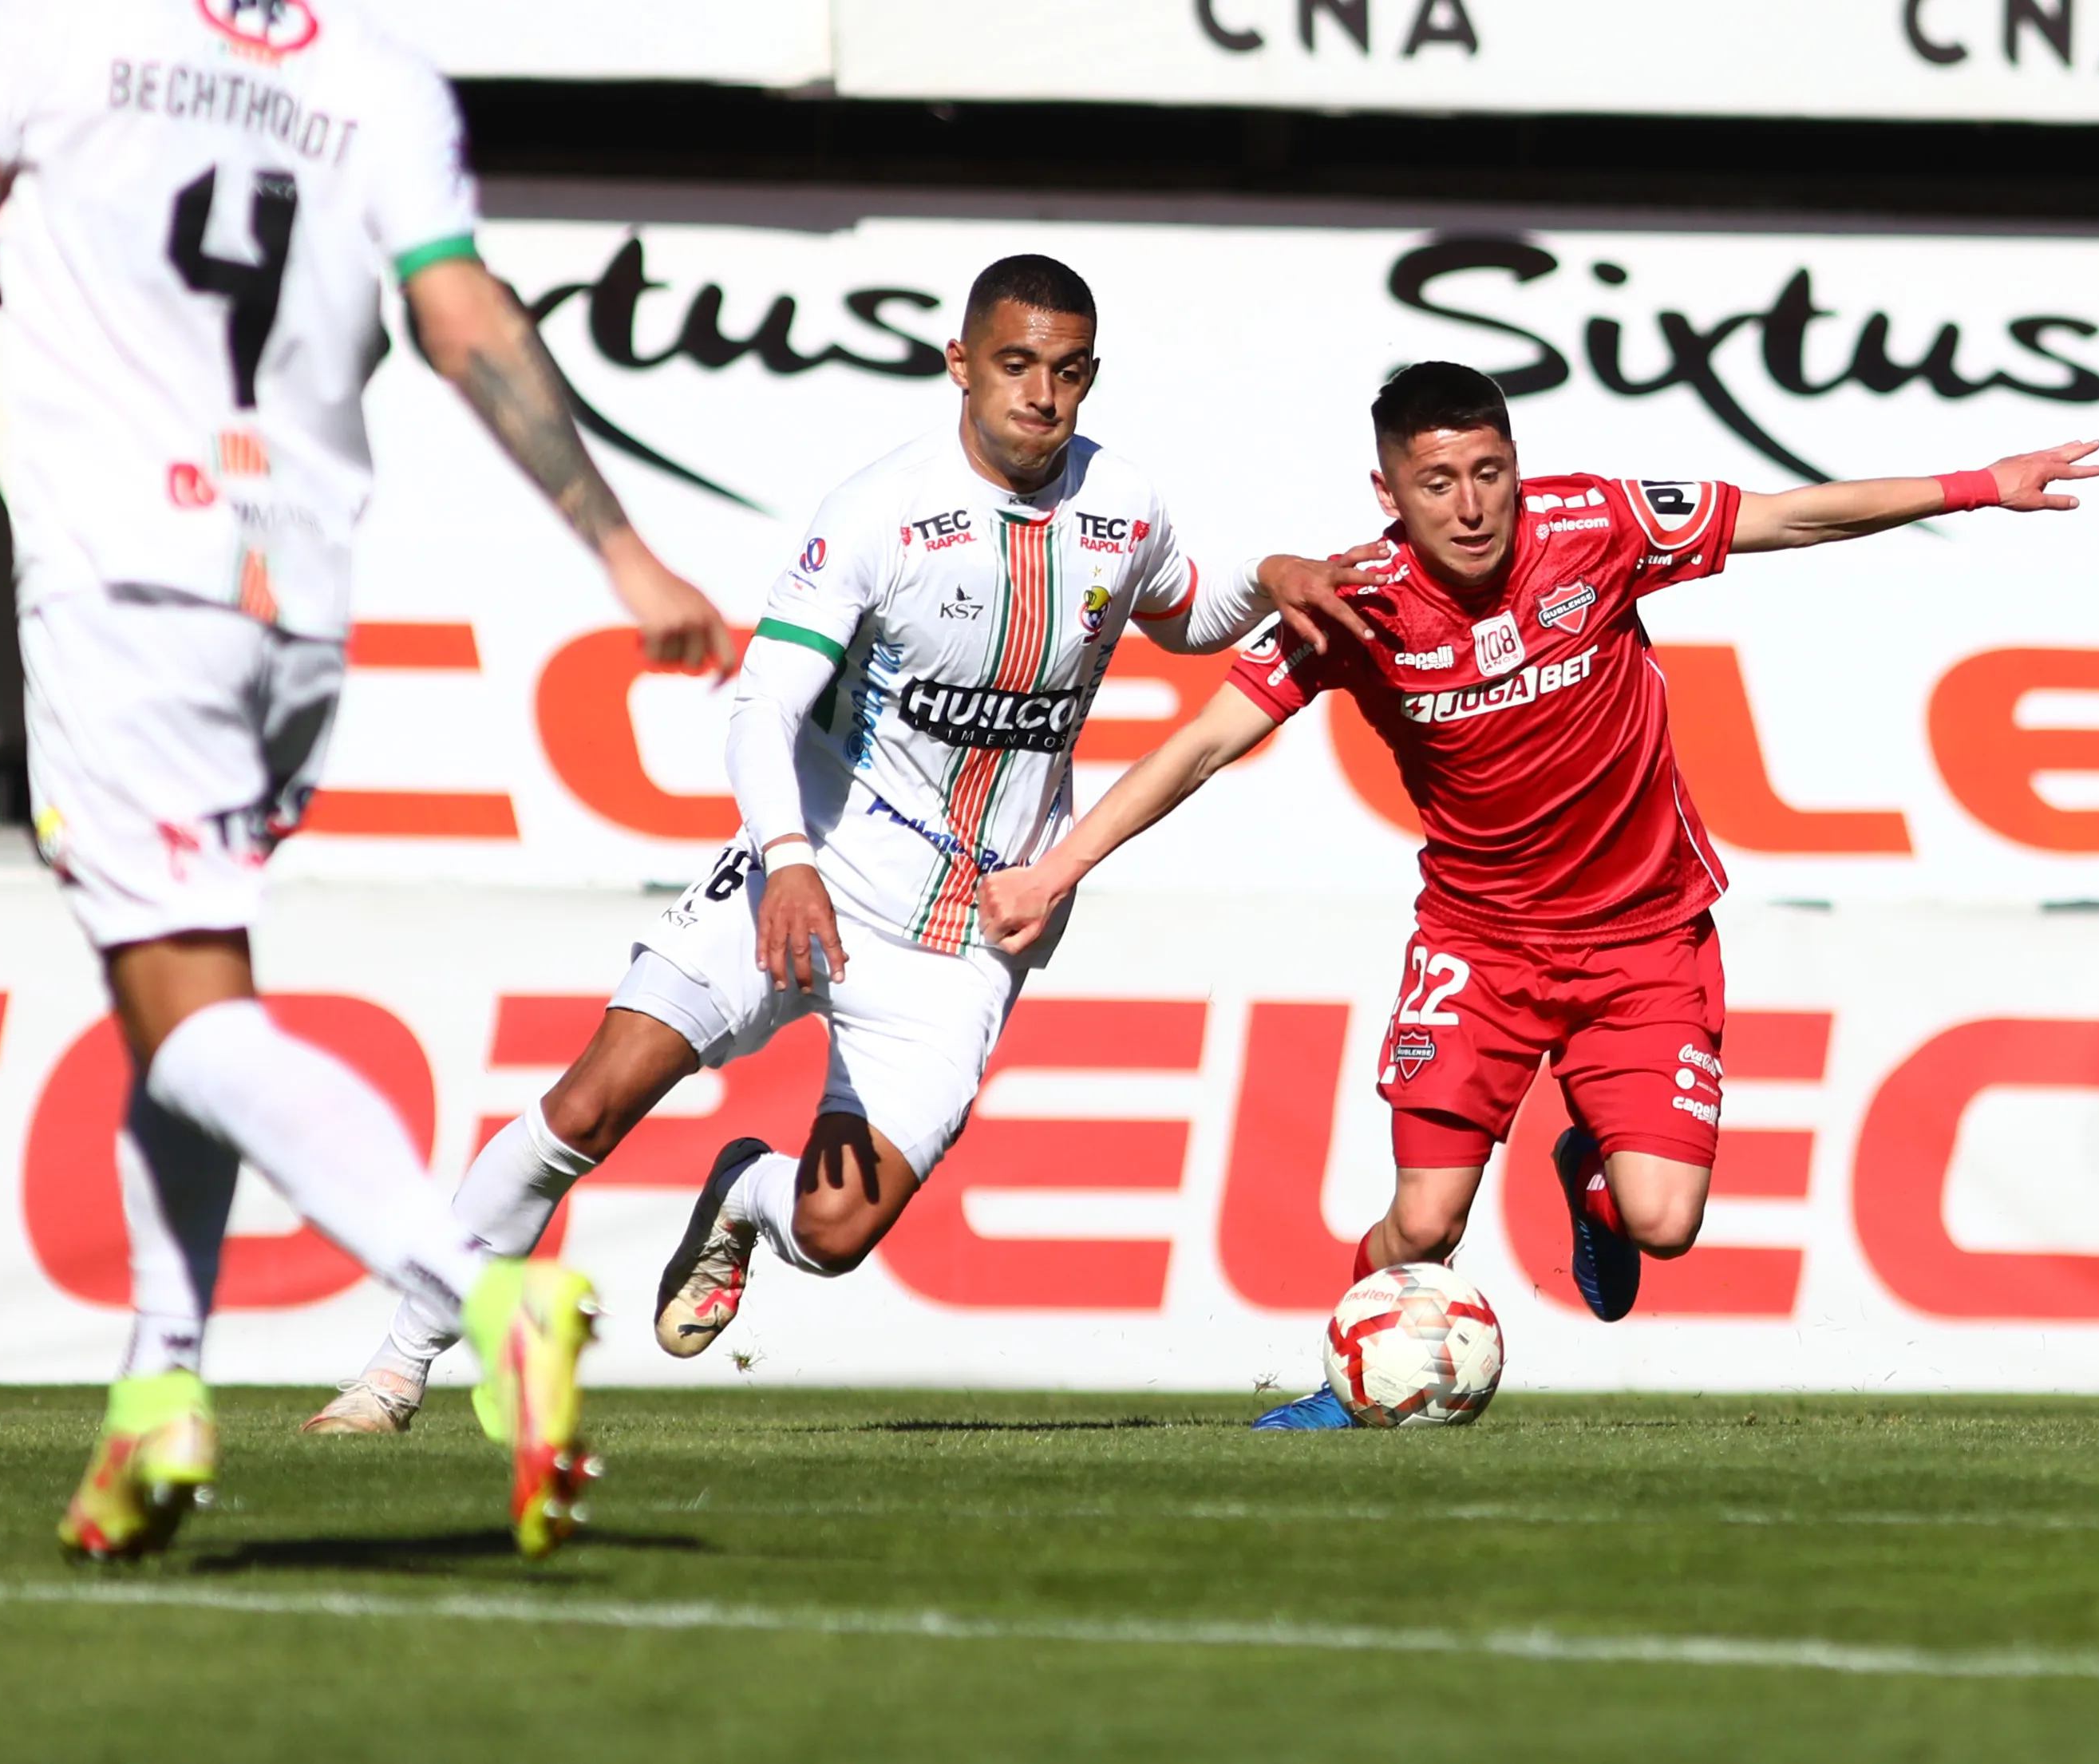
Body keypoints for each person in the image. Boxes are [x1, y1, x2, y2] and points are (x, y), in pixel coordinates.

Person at [0, 0, 733, 1556]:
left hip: (129, 589)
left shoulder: (52, 37)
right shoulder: (378, 81)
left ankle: (482, 1294)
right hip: (295, 604)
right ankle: (158, 1395)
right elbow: (463, 321)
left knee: (184, 1008)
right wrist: (623, 553)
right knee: (184, 995)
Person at [303, 253, 1376, 1432]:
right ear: (958, 365)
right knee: (592, 1103)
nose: (1041, 397)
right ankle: (394, 1370)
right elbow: (760, 703)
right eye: (1014, 366)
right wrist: (790, 858)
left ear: (1090, 378)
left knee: (833, 1235)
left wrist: (1269, 578)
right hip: (802, 873)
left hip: (964, 933)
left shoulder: (1121, 507)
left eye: (1066, 373)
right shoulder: (879, 512)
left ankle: (745, 1198)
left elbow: (1183, 615)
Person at [978, 360, 2099, 1429]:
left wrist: (1979, 487)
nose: (1469, 507)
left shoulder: (1596, 527)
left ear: (1516, 463)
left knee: (1662, 1222)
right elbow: (1198, 748)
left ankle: (1591, 1172)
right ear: (1387, 491)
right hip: (1481, 949)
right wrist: (1057, 866)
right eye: (1435, 483)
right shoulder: (1357, 604)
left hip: (1644, 939)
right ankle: (1347, 1380)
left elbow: (1788, 515)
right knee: (1423, 1222)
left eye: (1488, 473)